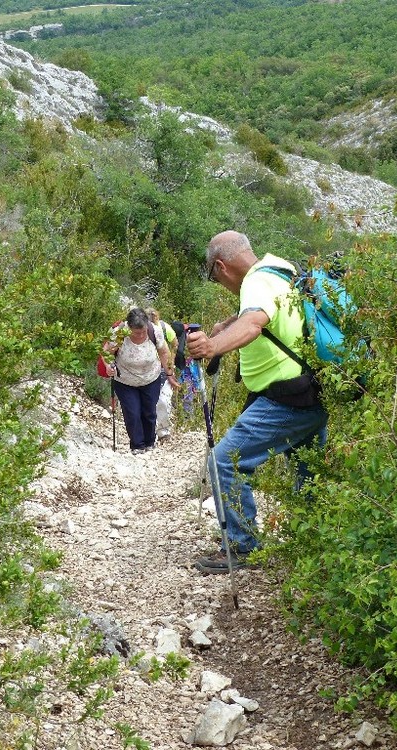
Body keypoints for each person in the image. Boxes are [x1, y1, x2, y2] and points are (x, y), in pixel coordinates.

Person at [186, 230, 328, 575]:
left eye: (213, 276)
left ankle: (241, 545)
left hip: (285, 399)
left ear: (220, 267)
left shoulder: (254, 284)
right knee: (309, 473)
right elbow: (269, 313)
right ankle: (317, 547)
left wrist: (212, 347)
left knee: (224, 463)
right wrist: (226, 325)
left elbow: (254, 323)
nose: (218, 283)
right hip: (316, 391)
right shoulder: (280, 270)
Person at [102, 308, 179, 453]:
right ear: (129, 328)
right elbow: (106, 352)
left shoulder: (154, 331)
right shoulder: (119, 333)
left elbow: (163, 352)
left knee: (149, 412)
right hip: (125, 380)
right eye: (137, 333)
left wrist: (170, 374)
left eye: (144, 331)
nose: (142, 334)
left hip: (151, 378)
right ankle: (137, 445)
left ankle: (150, 443)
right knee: (132, 412)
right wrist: (108, 366)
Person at [146, 308, 178, 442]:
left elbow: (175, 344)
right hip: (148, 369)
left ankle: (163, 432)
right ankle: (152, 431)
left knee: (163, 400)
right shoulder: (143, 329)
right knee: (151, 400)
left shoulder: (165, 328)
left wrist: (171, 362)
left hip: (165, 369)